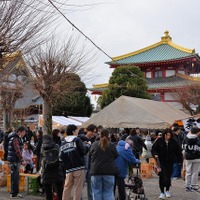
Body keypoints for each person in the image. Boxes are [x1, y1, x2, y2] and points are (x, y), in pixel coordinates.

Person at [151, 128, 183, 199]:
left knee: (168, 177)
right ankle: (162, 192)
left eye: (169, 135)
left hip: (170, 162)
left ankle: (167, 190)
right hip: (161, 162)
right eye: (167, 135)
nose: (168, 137)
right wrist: (155, 154)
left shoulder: (173, 141)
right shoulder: (159, 141)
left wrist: (179, 161)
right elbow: (153, 149)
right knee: (162, 176)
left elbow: (178, 151)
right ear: (164, 134)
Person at [60, 124, 90, 200]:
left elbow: (60, 156)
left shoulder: (63, 142)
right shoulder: (77, 140)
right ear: (73, 131)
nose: (77, 132)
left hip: (68, 169)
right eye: (76, 130)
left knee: (67, 188)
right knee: (77, 189)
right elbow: (83, 151)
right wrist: (88, 146)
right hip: (79, 167)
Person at [89, 128, 118, 200]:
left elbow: (90, 156)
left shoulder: (94, 145)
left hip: (95, 171)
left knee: (96, 192)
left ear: (100, 135)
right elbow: (116, 156)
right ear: (109, 135)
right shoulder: (111, 145)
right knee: (108, 192)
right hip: (109, 172)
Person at [41, 134, 64, 200]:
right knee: (60, 191)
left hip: (46, 170)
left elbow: (41, 158)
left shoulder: (42, 147)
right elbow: (61, 156)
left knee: (48, 193)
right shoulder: (56, 146)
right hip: (57, 170)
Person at [7, 126, 27, 198]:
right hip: (14, 160)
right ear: (19, 132)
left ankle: (15, 193)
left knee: (15, 177)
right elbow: (17, 150)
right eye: (24, 132)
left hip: (14, 159)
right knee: (15, 177)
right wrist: (22, 159)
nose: (24, 134)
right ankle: (14, 193)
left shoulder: (15, 138)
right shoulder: (15, 138)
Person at [79, 124, 97, 200]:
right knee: (80, 186)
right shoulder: (82, 139)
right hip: (83, 165)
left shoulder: (94, 140)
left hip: (91, 166)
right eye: (92, 131)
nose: (93, 133)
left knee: (91, 186)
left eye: (95, 132)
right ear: (87, 131)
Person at [182, 126, 200, 191]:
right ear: (197, 132)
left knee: (188, 172)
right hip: (197, 157)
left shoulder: (186, 138)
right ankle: (193, 186)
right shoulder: (198, 139)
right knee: (195, 172)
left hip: (188, 157)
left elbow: (183, 147)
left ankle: (187, 186)